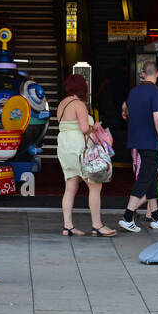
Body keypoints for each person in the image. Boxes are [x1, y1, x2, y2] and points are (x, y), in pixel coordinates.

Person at [57, 74, 116, 237]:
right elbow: (84, 129)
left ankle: (67, 226)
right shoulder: (79, 104)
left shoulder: (62, 104)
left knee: (70, 187)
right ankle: (97, 225)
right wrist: (94, 127)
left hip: (64, 148)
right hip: (79, 150)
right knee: (95, 186)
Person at [118, 59, 158, 232]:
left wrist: (125, 112)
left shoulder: (134, 92)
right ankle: (127, 216)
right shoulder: (156, 93)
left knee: (152, 177)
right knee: (146, 178)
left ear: (143, 74)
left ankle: (156, 217)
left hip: (136, 141)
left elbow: (124, 106)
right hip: (150, 141)